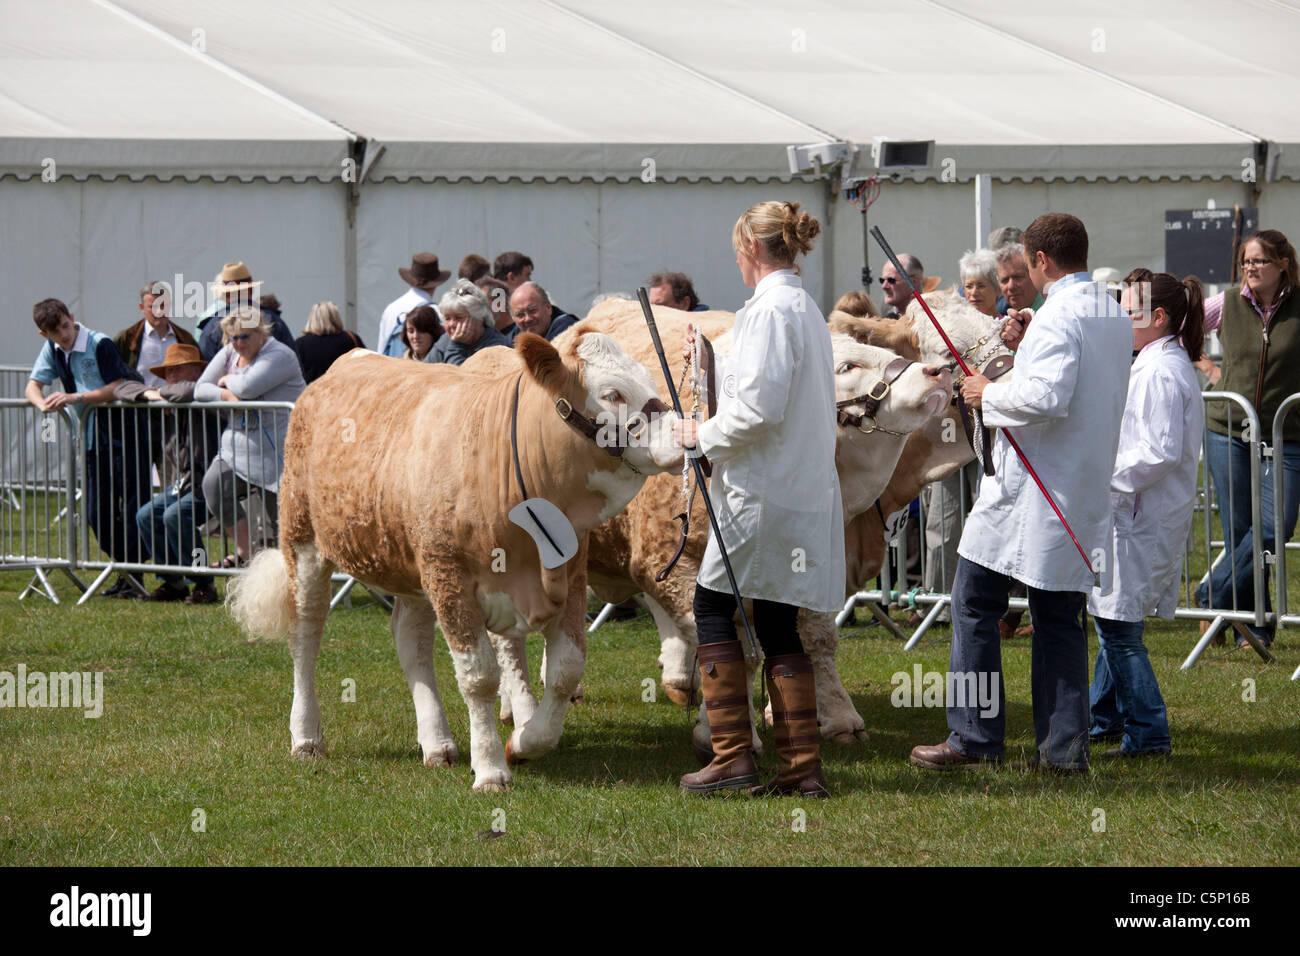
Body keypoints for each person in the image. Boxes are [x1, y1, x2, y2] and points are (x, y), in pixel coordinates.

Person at [909, 212, 1132, 775]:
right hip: (1069, 483)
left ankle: (975, 739)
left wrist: (988, 392)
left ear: (1040, 261)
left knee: (974, 604)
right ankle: (1062, 754)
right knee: (1057, 616)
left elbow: (1048, 397)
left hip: (1037, 485)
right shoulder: (1106, 307)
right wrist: (1031, 339)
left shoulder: (1062, 313)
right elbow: (1070, 379)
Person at [673, 200, 845, 798]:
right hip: (793, 487)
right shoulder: (800, 307)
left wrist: (700, 434)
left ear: (749, 250)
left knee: (713, 607)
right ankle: (801, 770)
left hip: (764, 491)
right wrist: (712, 366)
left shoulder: (773, 310)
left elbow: (761, 409)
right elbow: (769, 396)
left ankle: (733, 758)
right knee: (775, 620)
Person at [1089, 269, 1205, 757]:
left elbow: (1157, 452)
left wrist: (1101, 476)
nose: (1120, 320)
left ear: (1158, 318)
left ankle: (1150, 732)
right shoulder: (1157, 361)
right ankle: (1102, 718)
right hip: (1136, 515)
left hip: (1139, 515)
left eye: (1129, 312)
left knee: (1118, 628)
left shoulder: (1160, 370)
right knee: (1111, 620)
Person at [1195, 229, 1300, 649]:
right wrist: (1209, 368)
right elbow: (1179, 329)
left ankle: (1211, 596)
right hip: (1228, 429)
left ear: (1283, 265)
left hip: (1287, 434)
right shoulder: (1227, 304)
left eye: (1259, 261)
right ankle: (1252, 626)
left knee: (1273, 527)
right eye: (1246, 261)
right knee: (1241, 529)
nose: (1250, 268)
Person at [25, 298, 149, 598]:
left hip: (127, 431)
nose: (64, 335)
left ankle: (135, 577)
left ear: (72, 317)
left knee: (134, 508)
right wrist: (44, 405)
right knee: (96, 513)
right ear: (45, 334)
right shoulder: (51, 349)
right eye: (56, 332)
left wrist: (73, 399)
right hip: (94, 438)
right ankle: (127, 571)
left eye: (66, 326)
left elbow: (117, 387)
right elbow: (32, 385)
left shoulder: (100, 343)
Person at [913, 250, 994, 626]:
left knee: (988, 515)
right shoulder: (948, 323)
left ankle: (995, 603)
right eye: (968, 285)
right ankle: (937, 602)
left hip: (986, 436)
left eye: (981, 285)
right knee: (942, 521)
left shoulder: (1003, 329)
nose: (973, 292)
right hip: (947, 433)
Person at [195, 307, 305, 567]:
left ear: (261, 333)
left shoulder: (280, 354)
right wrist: (228, 396)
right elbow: (200, 388)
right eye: (233, 338)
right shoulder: (231, 352)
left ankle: (303, 580)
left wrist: (225, 380)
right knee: (214, 486)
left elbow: (248, 387)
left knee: (286, 527)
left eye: (245, 337)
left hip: (279, 454)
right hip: (237, 451)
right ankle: (246, 553)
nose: (238, 343)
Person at [114, 344, 222, 604]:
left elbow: (187, 391)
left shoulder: (204, 392)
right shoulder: (168, 396)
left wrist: (159, 394)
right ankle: (173, 582)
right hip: (184, 483)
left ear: (198, 370)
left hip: (212, 481)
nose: (171, 376)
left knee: (175, 516)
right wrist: (154, 395)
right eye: (168, 371)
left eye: (177, 369)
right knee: (146, 515)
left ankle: (203, 582)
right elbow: (121, 389)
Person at [196, 262, 296, 362]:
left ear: (225, 295)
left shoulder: (211, 326)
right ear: (251, 291)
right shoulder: (273, 320)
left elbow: (204, 367)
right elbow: (293, 361)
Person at [377, 253, 450, 358]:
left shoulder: (391, 309)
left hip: (392, 370)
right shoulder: (438, 312)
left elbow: (381, 351)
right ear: (436, 283)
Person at [426, 280, 512, 365]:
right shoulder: (447, 340)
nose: (452, 324)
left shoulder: (497, 347)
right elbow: (423, 371)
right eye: (447, 318)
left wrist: (456, 346)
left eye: (459, 317)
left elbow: (461, 377)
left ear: (479, 318)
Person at [295, 301, 364, 384]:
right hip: (347, 392)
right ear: (336, 318)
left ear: (312, 318)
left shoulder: (301, 343)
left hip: (313, 394)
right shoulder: (351, 338)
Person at [505, 282, 577, 342]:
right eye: (520, 315)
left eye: (532, 310)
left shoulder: (568, 329)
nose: (527, 319)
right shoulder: (516, 334)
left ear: (548, 307)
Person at [879, 253, 940, 318]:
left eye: (891, 280)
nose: (884, 286)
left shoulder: (932, 316)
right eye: (882, 280)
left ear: (914, 282)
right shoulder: (887, 311)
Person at [995, 243, 1044, 317]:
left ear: (1034, 274)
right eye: (1004, 280)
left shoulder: (1051, 313)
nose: (1011, 286)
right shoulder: (1003, 320)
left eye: (1018, 277)